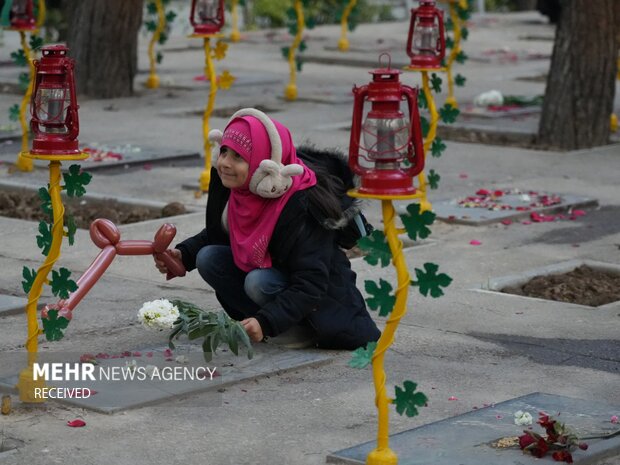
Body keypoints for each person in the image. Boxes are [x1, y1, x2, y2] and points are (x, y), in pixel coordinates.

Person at [155, 108, 380, 350]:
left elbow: (312, 283)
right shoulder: (239, 189)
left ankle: (297, 330)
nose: (225, 164)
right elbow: (221, 233)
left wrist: (268, 320)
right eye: (224, 152)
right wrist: (183, 255)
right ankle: (267, 325)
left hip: (322, 308)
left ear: (264, 165)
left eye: (238, 157)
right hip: (279, 280)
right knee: (208, 257)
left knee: (257, 281)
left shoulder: (299, 204)